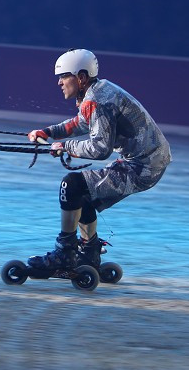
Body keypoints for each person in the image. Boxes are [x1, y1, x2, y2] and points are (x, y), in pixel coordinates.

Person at [25, 48, 171, 273]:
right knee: (83, 196)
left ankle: (65, 253)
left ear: (81, 77)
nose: (60, 82)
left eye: (64, 76)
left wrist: (65, 146)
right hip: (148, 161)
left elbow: (100, 149)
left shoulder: (98, 100)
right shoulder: (97, 92)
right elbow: (81, 123)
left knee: (71, 184)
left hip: (143, 166)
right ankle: (89, 253)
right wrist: (48, 132)